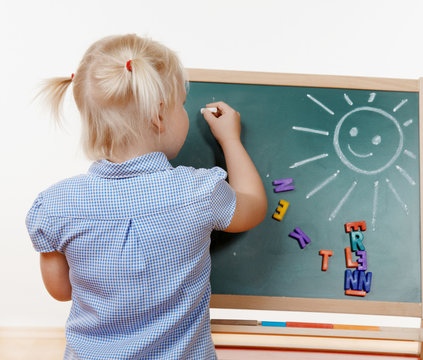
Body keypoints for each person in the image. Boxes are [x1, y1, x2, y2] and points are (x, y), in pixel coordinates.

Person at [26, 34, 267, 359]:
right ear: (159, 115)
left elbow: (60, 291)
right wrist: (230, 140)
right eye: (182, 103)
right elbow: (252, 205)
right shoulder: (198, 192)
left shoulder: (55, 206)